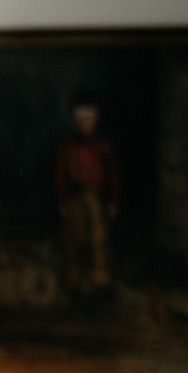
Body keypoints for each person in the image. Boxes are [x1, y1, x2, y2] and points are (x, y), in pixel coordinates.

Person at [54, 96, 122, 295]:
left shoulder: (102, 145)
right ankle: (74, 282)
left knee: (99, 239)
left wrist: (113, 201)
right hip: (74, 197)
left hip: (96, 197)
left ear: (96, 118)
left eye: (89, 116)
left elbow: (113, 174)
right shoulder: (67, 146)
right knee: (75, 239)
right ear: (75, 118)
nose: (85, 121)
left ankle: (100, 282)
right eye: (81, 116)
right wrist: (62, 200)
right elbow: (60, 174)